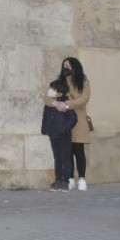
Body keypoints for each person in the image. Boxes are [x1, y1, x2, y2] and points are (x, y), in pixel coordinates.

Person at [48, 57, 92, 190]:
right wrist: (53, 102)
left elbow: (83, 99)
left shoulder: (83, 81)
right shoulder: (60, 81)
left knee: (78, 150)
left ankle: (82, 178)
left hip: (78, 119)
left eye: (68, 66)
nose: (66, 68)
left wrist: (67, 105)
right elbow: (49, 95)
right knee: (67, 151)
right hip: (64, 119)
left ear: (75, 67)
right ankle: (70, 178)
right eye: (64, 66)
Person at [41, 79, 78, 192]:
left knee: (65, 159)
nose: (50, 91)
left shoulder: (66, 103)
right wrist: (45, 128)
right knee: (57, 158)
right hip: (53, 134)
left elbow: (73, 118)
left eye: (53, 89)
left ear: (60, 92)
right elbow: (45, 116)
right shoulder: (50, 103)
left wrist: (65, 128)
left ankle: (65, 182)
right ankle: (58, 180)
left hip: (64, 135)